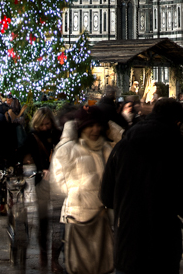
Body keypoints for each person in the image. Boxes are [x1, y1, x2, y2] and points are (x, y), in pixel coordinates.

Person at [101, 98, 183, 274]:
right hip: (163, 244)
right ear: (176, 122)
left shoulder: (123, 146)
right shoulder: (175, 148)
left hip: (128, 240)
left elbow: (106, 196)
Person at [53, 108, 118, 274]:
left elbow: (127, 143)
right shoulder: (68, 148)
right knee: (79, 267)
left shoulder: (106, 148)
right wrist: (84, 192)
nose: (95, 130)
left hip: (102, 217)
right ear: (81, 127)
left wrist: (113, 128)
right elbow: (60, 182)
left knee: (102, 266)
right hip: (77, 218)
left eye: (99, 125)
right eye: (91, 125)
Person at [23, 107, 62, 270]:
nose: (46, 127)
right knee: (43, 220)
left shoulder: (57, 135)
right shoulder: (32, 137)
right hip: (41, 180)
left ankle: (54, 258)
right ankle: (43, 256)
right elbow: (24, 154)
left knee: (59, 222)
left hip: (59, 180)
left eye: (48, 124)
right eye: (43, 124)